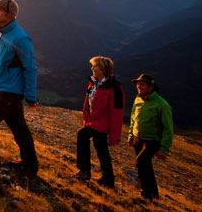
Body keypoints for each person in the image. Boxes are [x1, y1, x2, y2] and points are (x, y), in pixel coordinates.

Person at [0, 0, 39, 174]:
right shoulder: (2, 34)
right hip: (4, 88)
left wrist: (31, 96)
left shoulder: (21, 38)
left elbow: (31, 68)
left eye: (0, 10)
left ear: (9, 14)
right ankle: (30, 165)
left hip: (11, 92)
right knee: (19, 128)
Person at [74, 56, 125, 187]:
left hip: (102, 124)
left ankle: (85, 171)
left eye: (95, 66)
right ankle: (108, 180)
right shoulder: (94, 83)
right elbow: (89, 104)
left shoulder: (114, 87)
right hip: (94, 122)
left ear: (103, 68)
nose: (92, 68)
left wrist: (114, 136)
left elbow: (117, 112)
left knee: (83, 135)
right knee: (101, 149)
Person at [128, 74, 173, 200]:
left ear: (151, 87)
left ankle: (145, 193)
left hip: (153, 140)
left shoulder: (162, 105)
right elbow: (133, 118)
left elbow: (168, 128)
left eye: (142, 84)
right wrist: (131, 135)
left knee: (141, 161)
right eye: (138, 84)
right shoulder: (138, 100)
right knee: (145, 165)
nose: (138, 86)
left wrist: (164, 148)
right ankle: (153, 194)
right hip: (138, 138)